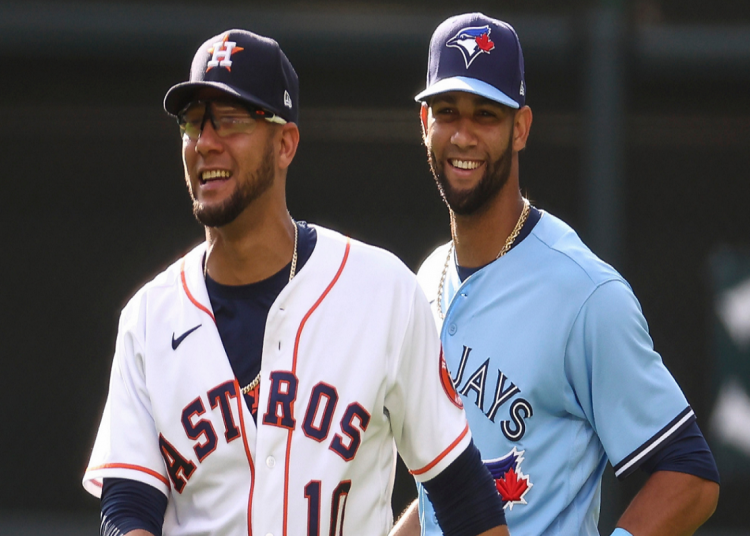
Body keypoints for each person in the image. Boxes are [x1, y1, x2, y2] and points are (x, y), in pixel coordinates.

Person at [82, 29, 511, 536]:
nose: (206, 142)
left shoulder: (382, 292)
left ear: (285, 143)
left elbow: (461, 493)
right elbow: (127, 508)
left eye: (231, 120)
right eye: (193, 122)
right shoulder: (148, 319)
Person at [390, 12, 720, 536]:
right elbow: (440, 500)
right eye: (448, 112)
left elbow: (690, 475)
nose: (463, 135)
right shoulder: (428, 276)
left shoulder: (585, 293)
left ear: (520, 128)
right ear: (424, 124)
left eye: (486, 115)